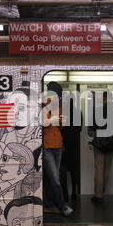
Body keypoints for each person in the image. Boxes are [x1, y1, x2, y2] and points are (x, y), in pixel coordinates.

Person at [42, 81, 73, 216]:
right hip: (47, 147)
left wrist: (61, 122)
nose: (57, 98)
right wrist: (51, 120)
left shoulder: (58, 108)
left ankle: (48, 204)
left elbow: (59, 128)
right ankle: (63, 206)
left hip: (58, 146)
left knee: (50, 178)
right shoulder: (43, 107)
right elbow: (41, 124)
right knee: (55, 178)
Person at [89, 91, 113, 203]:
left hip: (100, 144)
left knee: (99, 169)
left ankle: (98, 195)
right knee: (106, 170)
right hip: (111, 145)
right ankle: (102, 191)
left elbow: (91, 127)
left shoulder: (98, 111)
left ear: (104, 99)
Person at [60, 98, 82, 201]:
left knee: (63, 168)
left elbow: (61, 128)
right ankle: (74, 192)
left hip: (64, 143)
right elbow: (80, 129)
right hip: (74, 143)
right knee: (74, 170)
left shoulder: (63, 112)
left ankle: (64, 194)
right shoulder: (78, 112)